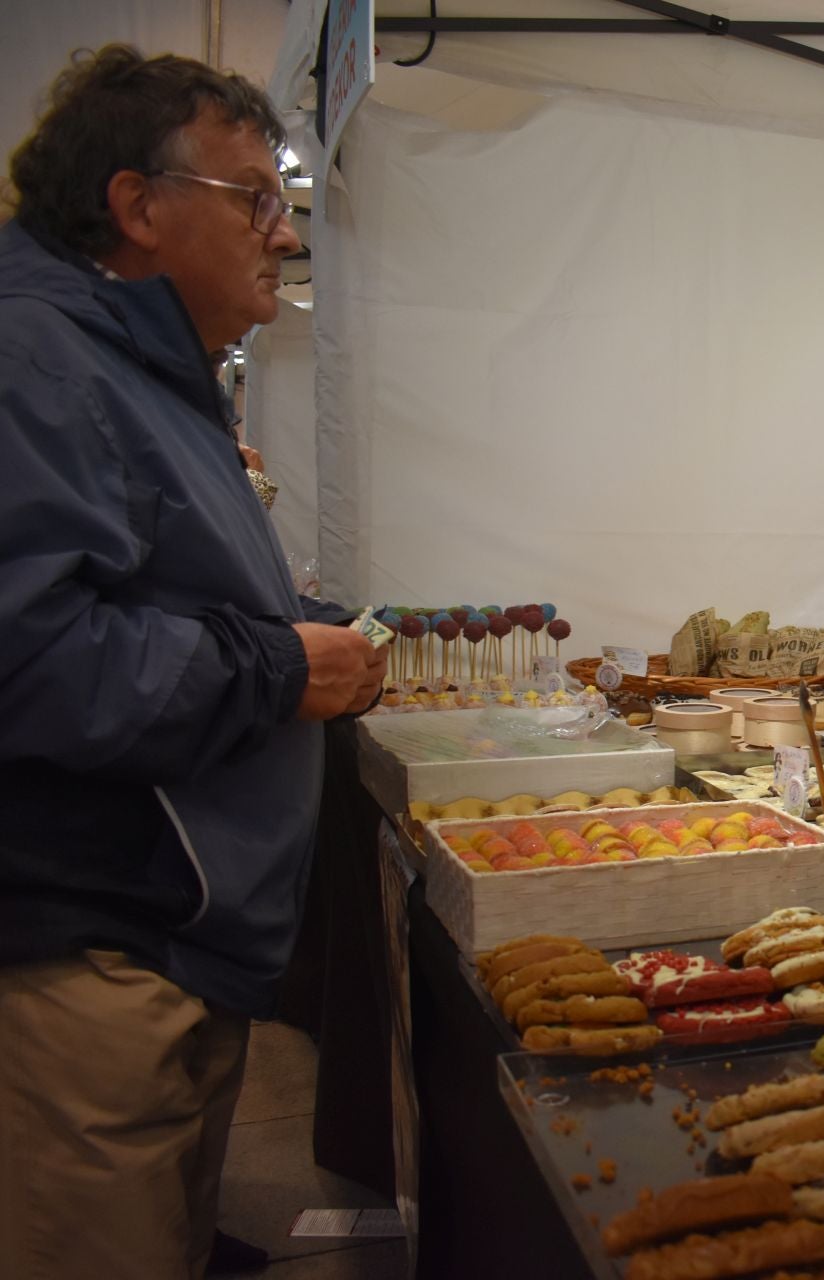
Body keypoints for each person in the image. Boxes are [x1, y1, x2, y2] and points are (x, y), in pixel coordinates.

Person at [0, 47, 386, 1279]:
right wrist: (280, 667)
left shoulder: (143, 369)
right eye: (257, 201)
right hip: (96, 956)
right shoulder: (37, 361)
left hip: (171, 947)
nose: (282, 235)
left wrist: (304, 620)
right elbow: (34, 656)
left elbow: (159, 586)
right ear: (137, 206)